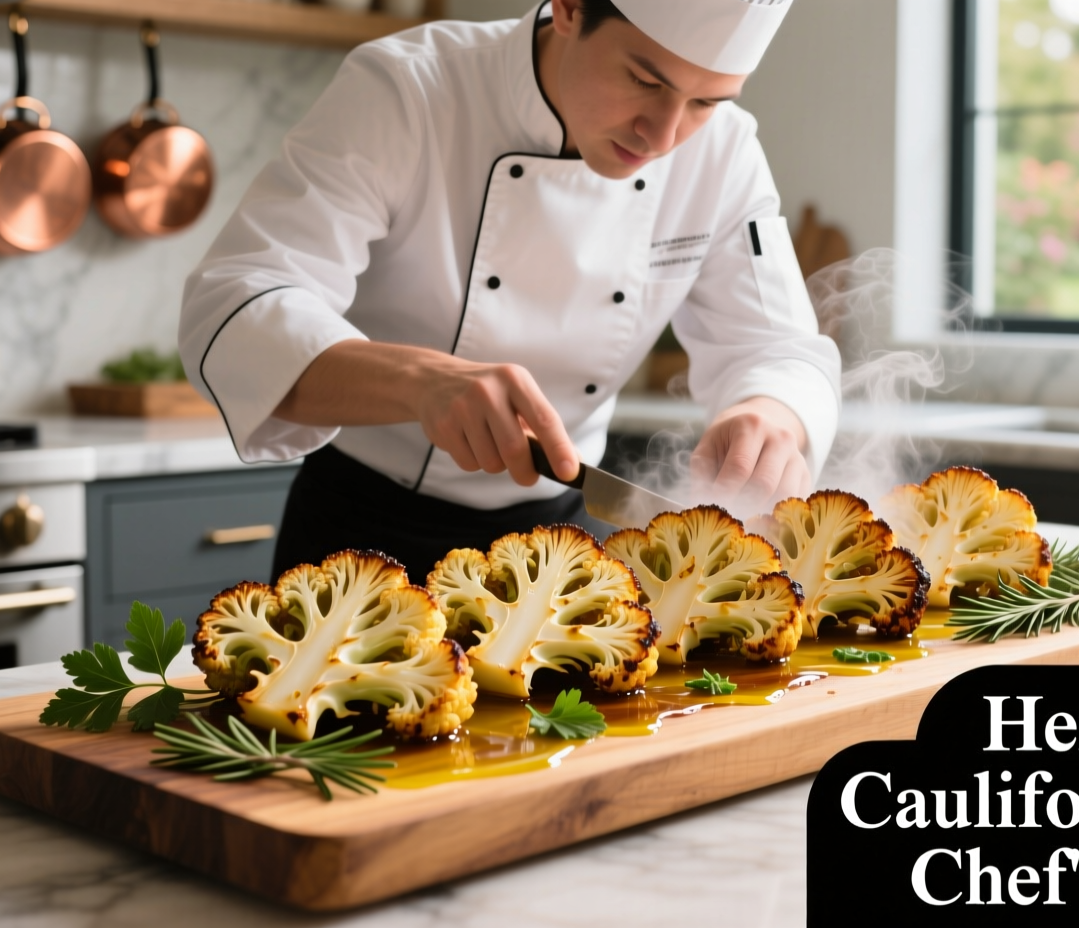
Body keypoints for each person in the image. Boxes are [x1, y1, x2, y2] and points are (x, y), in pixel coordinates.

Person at [179, 0, 841, 580]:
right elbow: (236, 306)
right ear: (571, 6)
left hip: (565, 541)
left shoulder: (724, 153)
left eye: (706, 102)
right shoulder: (410, 89)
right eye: (644, 78)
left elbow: (780, 348)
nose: (664, 136)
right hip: (365, 540)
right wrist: (420, 381)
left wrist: (771, 414)